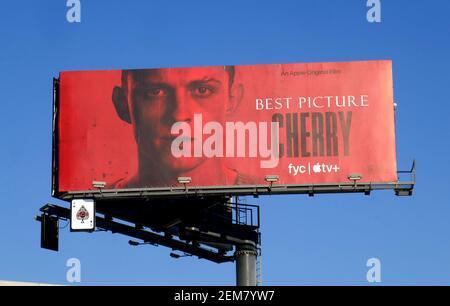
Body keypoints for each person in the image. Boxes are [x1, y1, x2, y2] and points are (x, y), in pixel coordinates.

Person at [112, 66, 254, 188]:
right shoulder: (94, 201)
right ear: (123, 104)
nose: (179, 116)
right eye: (155, 92)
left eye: (202, 90)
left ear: (232, 100)